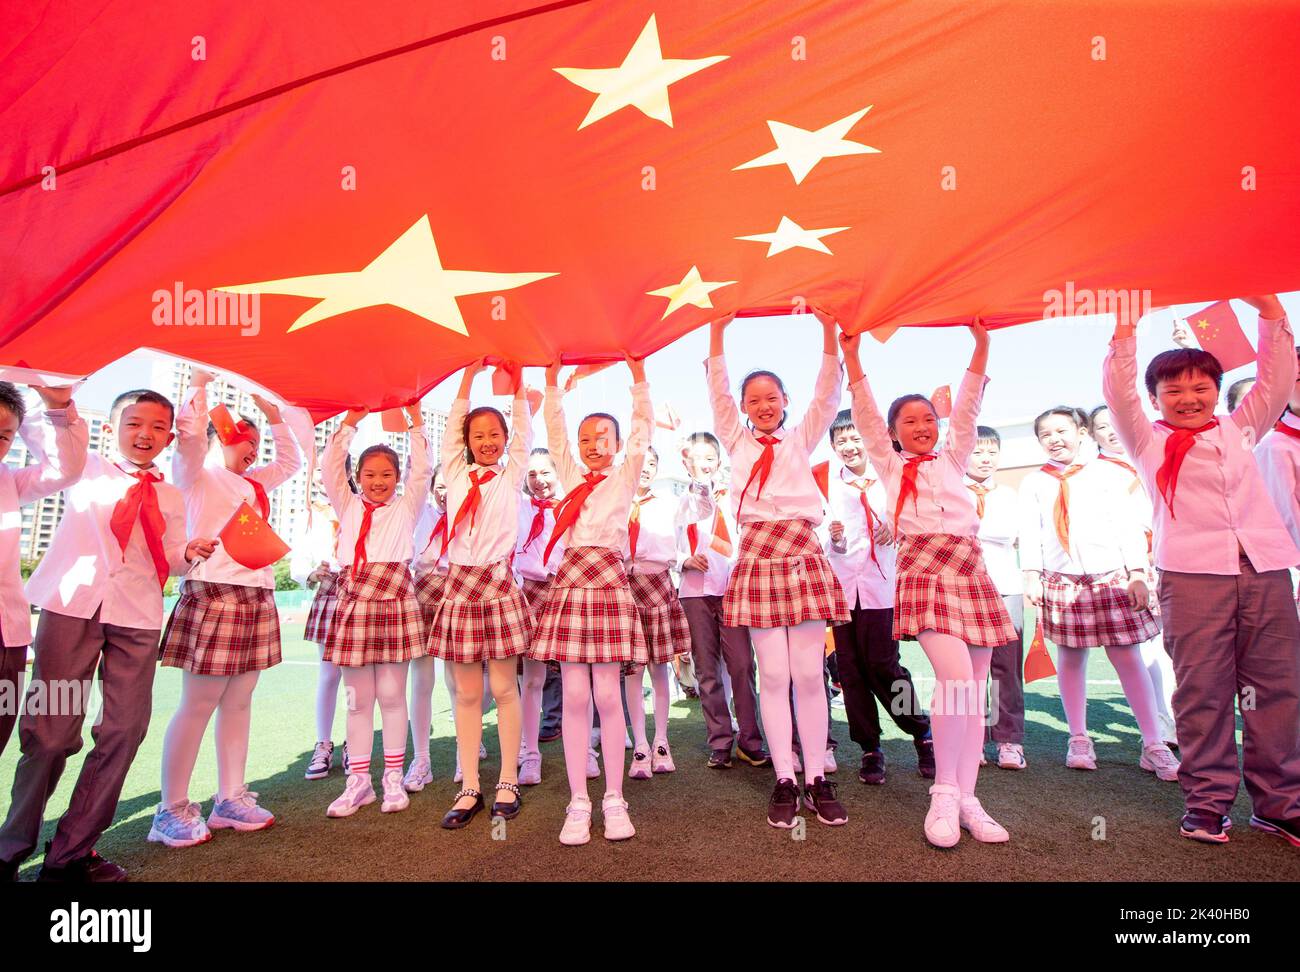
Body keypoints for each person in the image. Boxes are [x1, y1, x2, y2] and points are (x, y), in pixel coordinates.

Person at [1102, 294, 1300, 846]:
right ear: (1156, 397)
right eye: (1174, 390)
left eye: (1200, 387)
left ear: (1216, 390)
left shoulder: (1241, 429)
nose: (1188, 398)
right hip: (1191, 579)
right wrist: (1124, 329)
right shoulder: (1145, 439)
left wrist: (1269, 310)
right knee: (1202, 692)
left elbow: (1276, 377)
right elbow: (1117, 393)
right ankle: (1208, 803)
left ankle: (1281, 803)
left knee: (1278, 688)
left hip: (1265, 571)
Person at [0, 389, 214, 882]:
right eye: (135, 422)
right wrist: (56, 402)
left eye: (159, 427)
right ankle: (10, 849)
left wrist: (192, 551)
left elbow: (173, 553)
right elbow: (56, 445)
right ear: (110, 427)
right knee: (51, 737)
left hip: (137, 616)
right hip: (72, 607)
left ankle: (71, 854)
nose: (146, 435)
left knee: (124, 731)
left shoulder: (170, 492)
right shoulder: (84, 467)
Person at [842, 320, 1016, 848]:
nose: (921, 426)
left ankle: (968, 798)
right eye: (909, 421)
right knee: (957, 678)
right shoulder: (890, 468)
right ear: (894, 433)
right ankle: (942, 793)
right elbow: (867, 418)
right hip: (923, 572)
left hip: (970, 570)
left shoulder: (956, 458)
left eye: (927, 419)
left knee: (975, 689)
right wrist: (852, 359)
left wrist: (981, 346)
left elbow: (968, 410)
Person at [708, 310, 850, 830]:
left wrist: (828, 333)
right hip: (759, 556)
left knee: (810, 674)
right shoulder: (736, 440)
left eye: (772, 397)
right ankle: (785, 777)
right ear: (744, 409)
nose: (763, 406)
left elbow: (828, 395)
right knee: (772, 674)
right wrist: (718, 331)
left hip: (803, 554)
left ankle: (817, 776)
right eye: (753, 401)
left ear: (785, 401)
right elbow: (717, 393)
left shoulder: (801, 438)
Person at [150, 373, 301, 847]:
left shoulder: (254, 484)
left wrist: (274, 416)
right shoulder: (197, 474)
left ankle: (230, 798)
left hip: (256, 595)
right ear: (218, 441)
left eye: (255, 443)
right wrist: (198, 383)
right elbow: (190, 437)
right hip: (212, 593)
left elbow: (292, 460)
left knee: (239, 701)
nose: (251, 449)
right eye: (241, 440)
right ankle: (170, 808)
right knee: (198, 704)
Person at [1018, 406, 1178, 781]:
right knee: (1071, 658)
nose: (1055, 439)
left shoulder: (1106, 474)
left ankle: (1153, 743)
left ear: (1081, 432)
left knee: (1128, 657)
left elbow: (1126, 525)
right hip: (1062, 580)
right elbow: (1031, 532)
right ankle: (1078, 738)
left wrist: (1137, 572)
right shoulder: (1034, 482)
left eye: (1062, 430)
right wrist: (1031, 575)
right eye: (1046, 435)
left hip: (1111, 578)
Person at [530, 353, 652, 845]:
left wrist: (638, 377)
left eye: (604, 438)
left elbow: (644, 430)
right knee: (576, 695)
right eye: (587, 440)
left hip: (608, 585)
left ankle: (614, 799)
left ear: (619, 445)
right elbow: (554, 430)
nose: (593, 445)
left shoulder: (625, 477)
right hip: (573, 585)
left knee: (608, 695)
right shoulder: (570, 473)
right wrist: (553, 382)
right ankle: (578, 800)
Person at [426, 360, 533, 828]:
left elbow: (526, 430)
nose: (486, 442)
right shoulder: (454, 472)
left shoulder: (510, 476)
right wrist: (466, 378)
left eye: (495, 434)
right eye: (478, 436)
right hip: (460, 590)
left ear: (505, 440)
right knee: (466, 694)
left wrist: (519, 382)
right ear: (467, 444)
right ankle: (470, 785)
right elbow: (450, 431)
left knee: (505, 689)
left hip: (497, 587)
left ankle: (508, 778)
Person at [321, 404, 429, 819]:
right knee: (356, 699)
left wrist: (415, 422)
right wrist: (349, 421)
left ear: (397, 478)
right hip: (355, 606)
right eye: (369, 474)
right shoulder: (346, 505)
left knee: (391, 694)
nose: (378, 481)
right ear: (357, 478)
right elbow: (332, 463)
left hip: (396, 604)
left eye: (386, 474)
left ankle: (393, 779)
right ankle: (359, 781)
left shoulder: (407, 506)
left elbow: (423, 467)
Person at [821, 409, 934, 785]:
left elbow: (918, 521)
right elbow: (824, 540)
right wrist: (834, 541)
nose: (850, 447)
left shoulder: (892, 475)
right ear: (834, 447)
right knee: (850, 671)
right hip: (843, 589)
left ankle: (922, 733)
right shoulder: (826, 483)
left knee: (884, 665)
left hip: (881, 587)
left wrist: (895, 529)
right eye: (842, 442)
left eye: (856, 438)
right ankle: (870, 747)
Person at [0, 382, 89, 759]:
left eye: (4, 435)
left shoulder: (9, 480)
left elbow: (64, 469)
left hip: (7, 636)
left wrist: (55, 406)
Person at [676, 431, 768, 770]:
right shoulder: (678, 500)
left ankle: (750, 739)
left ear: (718, 462)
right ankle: (719, 740)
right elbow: (663, 544)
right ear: (685, 462)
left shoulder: (735, 497)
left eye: (709, 458)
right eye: (695, 458)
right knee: (706, 670)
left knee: (743, 665)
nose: (703, 464)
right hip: (695, 592)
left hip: (733, 590)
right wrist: (683, 560)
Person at [1088, 404, 1179, 747]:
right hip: (1131, 565)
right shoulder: (1095, 472)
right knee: (1144, 646)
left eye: (1115, 422)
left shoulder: (1156, 453)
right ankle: (1158, 725)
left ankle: (1175, 716)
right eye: (1101, 426)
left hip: (1175, 554)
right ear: (1091, 434)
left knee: (1173, 645)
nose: (1110, 430)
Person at [622, 446, 693, 779]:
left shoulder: (669, 503)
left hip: (658, 583)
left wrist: (699, 479)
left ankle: (661, 739)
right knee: (633, 670)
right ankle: (640, 743)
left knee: (659, 668)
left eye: (651, 463)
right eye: (639, 463)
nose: (645, 469)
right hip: (624, 585)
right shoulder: (617, 501)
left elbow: (699, 512)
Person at [963, 426, 1026, 770]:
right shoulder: (952, 492)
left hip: (1005, 586)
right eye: (977, 452)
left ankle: (1008, 740)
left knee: (1006, 668)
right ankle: (970, 740)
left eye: (991, 452)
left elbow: (1011, 533)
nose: (985, 459)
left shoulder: (1008, 495)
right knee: (969, 670)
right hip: (965, 589)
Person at [515, 446, 566, 786]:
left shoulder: (569, 506)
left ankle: (588, 752)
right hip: (530, 591)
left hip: (564, 590)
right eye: (532, 474)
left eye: (545, 472)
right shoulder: (517, 507)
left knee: (578, 678)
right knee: (531, 680)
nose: (539, 480)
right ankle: (529, 753)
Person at [294, 484, 347, 780]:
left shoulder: (355, 502)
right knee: (329, 675)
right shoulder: (310, 516)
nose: (320, 485)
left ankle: (355, 742)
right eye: (314, 480)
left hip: (358, 590)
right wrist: (312, 572)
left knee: (357, 677)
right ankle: (323, 744)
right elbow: (299, 562)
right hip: (329, 590)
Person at [404, 462, 449, 791]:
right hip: (422, 592)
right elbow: (413, 474)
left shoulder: (473, 514)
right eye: (440, 485)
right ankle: (421, 759)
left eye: (452, 485)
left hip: (457, 591)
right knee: (422, 680)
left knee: (460, 681)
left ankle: (467, 750)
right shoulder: (421, 512)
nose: (445, 493)